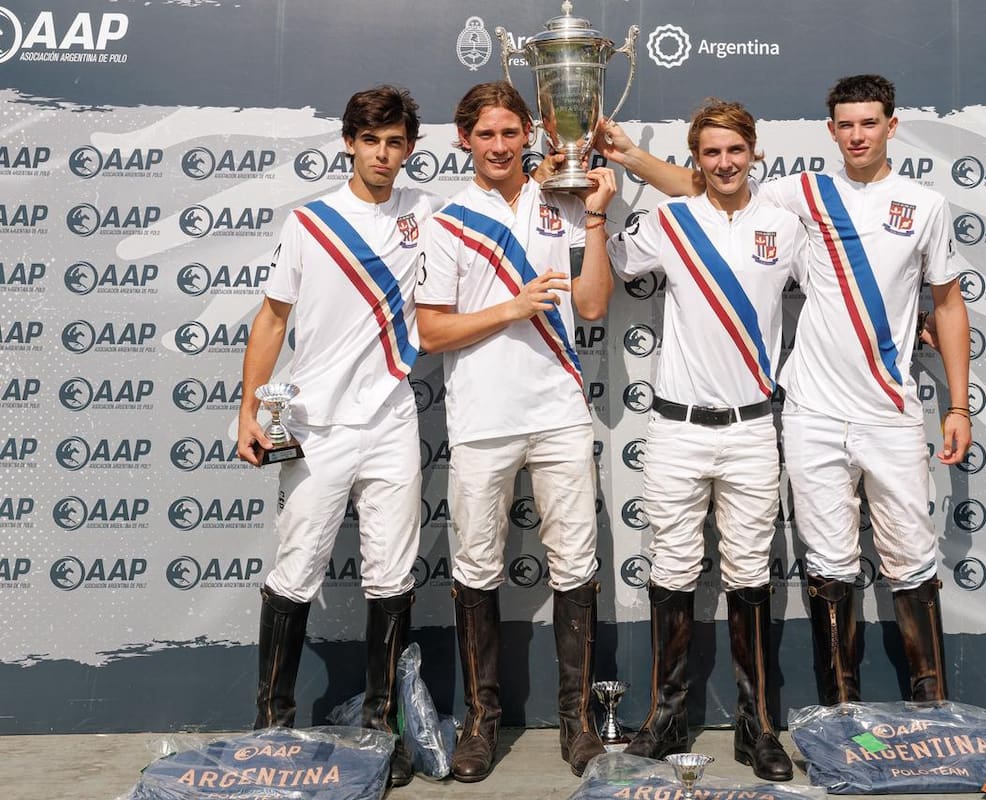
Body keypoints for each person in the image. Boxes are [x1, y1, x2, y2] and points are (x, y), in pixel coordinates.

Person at [595, 74, 971, 706]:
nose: (857, 135)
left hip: (892, 409)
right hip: (812, 413)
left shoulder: (925, 204)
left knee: (911, 555)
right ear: (830, 131)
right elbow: (705, 190)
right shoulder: (800, 196)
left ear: (891, 125)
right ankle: (839, 713)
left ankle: (931, 709)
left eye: (869, 122)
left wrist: (958, 403)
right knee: (828, 565)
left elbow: (949, 301)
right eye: (845, 124)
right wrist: (631, 158)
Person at [414, 81, 617, 781]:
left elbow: (589, 306)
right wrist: (511, 308)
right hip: (482, 419)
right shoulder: (448, 222)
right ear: (463, 138)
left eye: (510, 133)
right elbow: (431, 329)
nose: (500, 146)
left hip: (558, 412)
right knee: (474, 568)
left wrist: (594, 219)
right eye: (486, 134)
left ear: (531, 132)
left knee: (576, 567)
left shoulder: (562, 200)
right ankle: (481, 721)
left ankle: (578, 723)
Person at [237, 85, 439, 787]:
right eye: (372, 140)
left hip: (391, 419)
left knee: (392, 577)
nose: (384, 154)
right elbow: (271, 320)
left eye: (396, 142)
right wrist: (248, 415)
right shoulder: (311, 223)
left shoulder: (428, 215)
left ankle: (380, 730)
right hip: (315, 425)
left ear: (410, 149)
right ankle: (272, 723)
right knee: (295, 573)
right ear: (349, 142)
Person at [606, 99, 802, 781]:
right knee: (671, 570)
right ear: (696, 160)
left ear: (754, 151)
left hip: (753, 428)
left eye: (735, 150)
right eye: (711, 153)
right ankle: (667, 717)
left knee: (751, 577)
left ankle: (758, 726)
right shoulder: (669, 220)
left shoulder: (786, 225)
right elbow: (612, 272)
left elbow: (838, 301)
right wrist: (599, 192)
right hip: (676, 428)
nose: (724, 163)